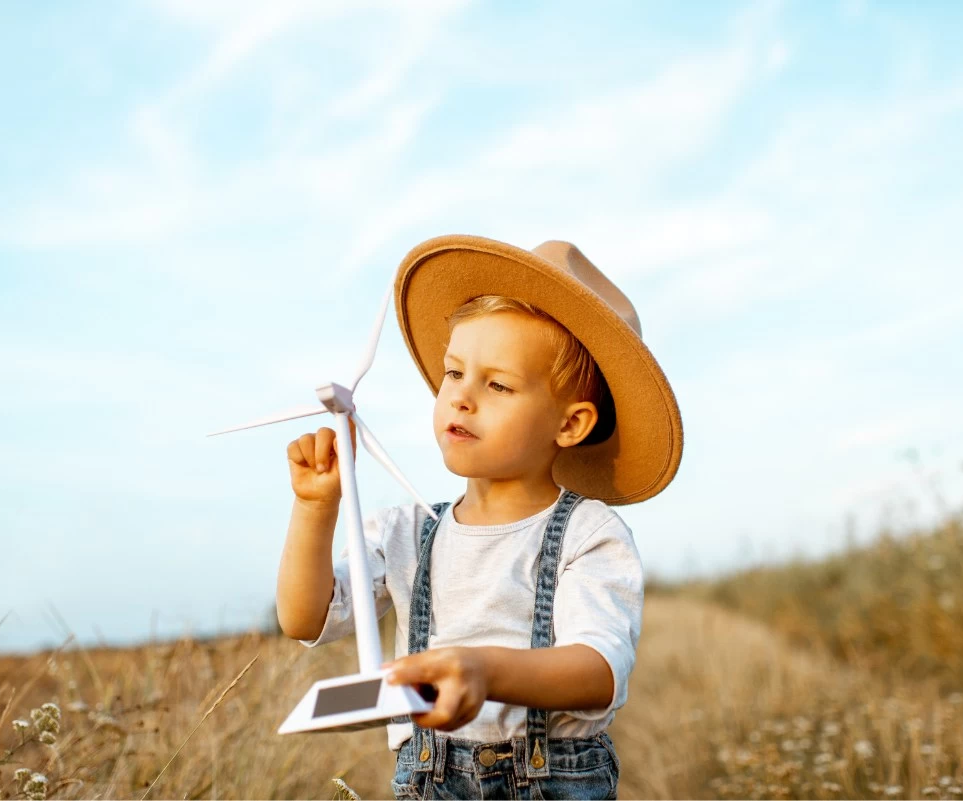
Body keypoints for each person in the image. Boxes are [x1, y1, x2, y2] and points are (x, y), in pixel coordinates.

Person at [276, 234, 683, 800]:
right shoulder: (407, 532)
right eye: (453, 373)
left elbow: (597, 671)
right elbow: (306, 619)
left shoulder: (587, 534)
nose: (462, 398)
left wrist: (483, 671)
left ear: (570, 425)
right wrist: (316, 508)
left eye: (497, 384)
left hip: (550, 781)